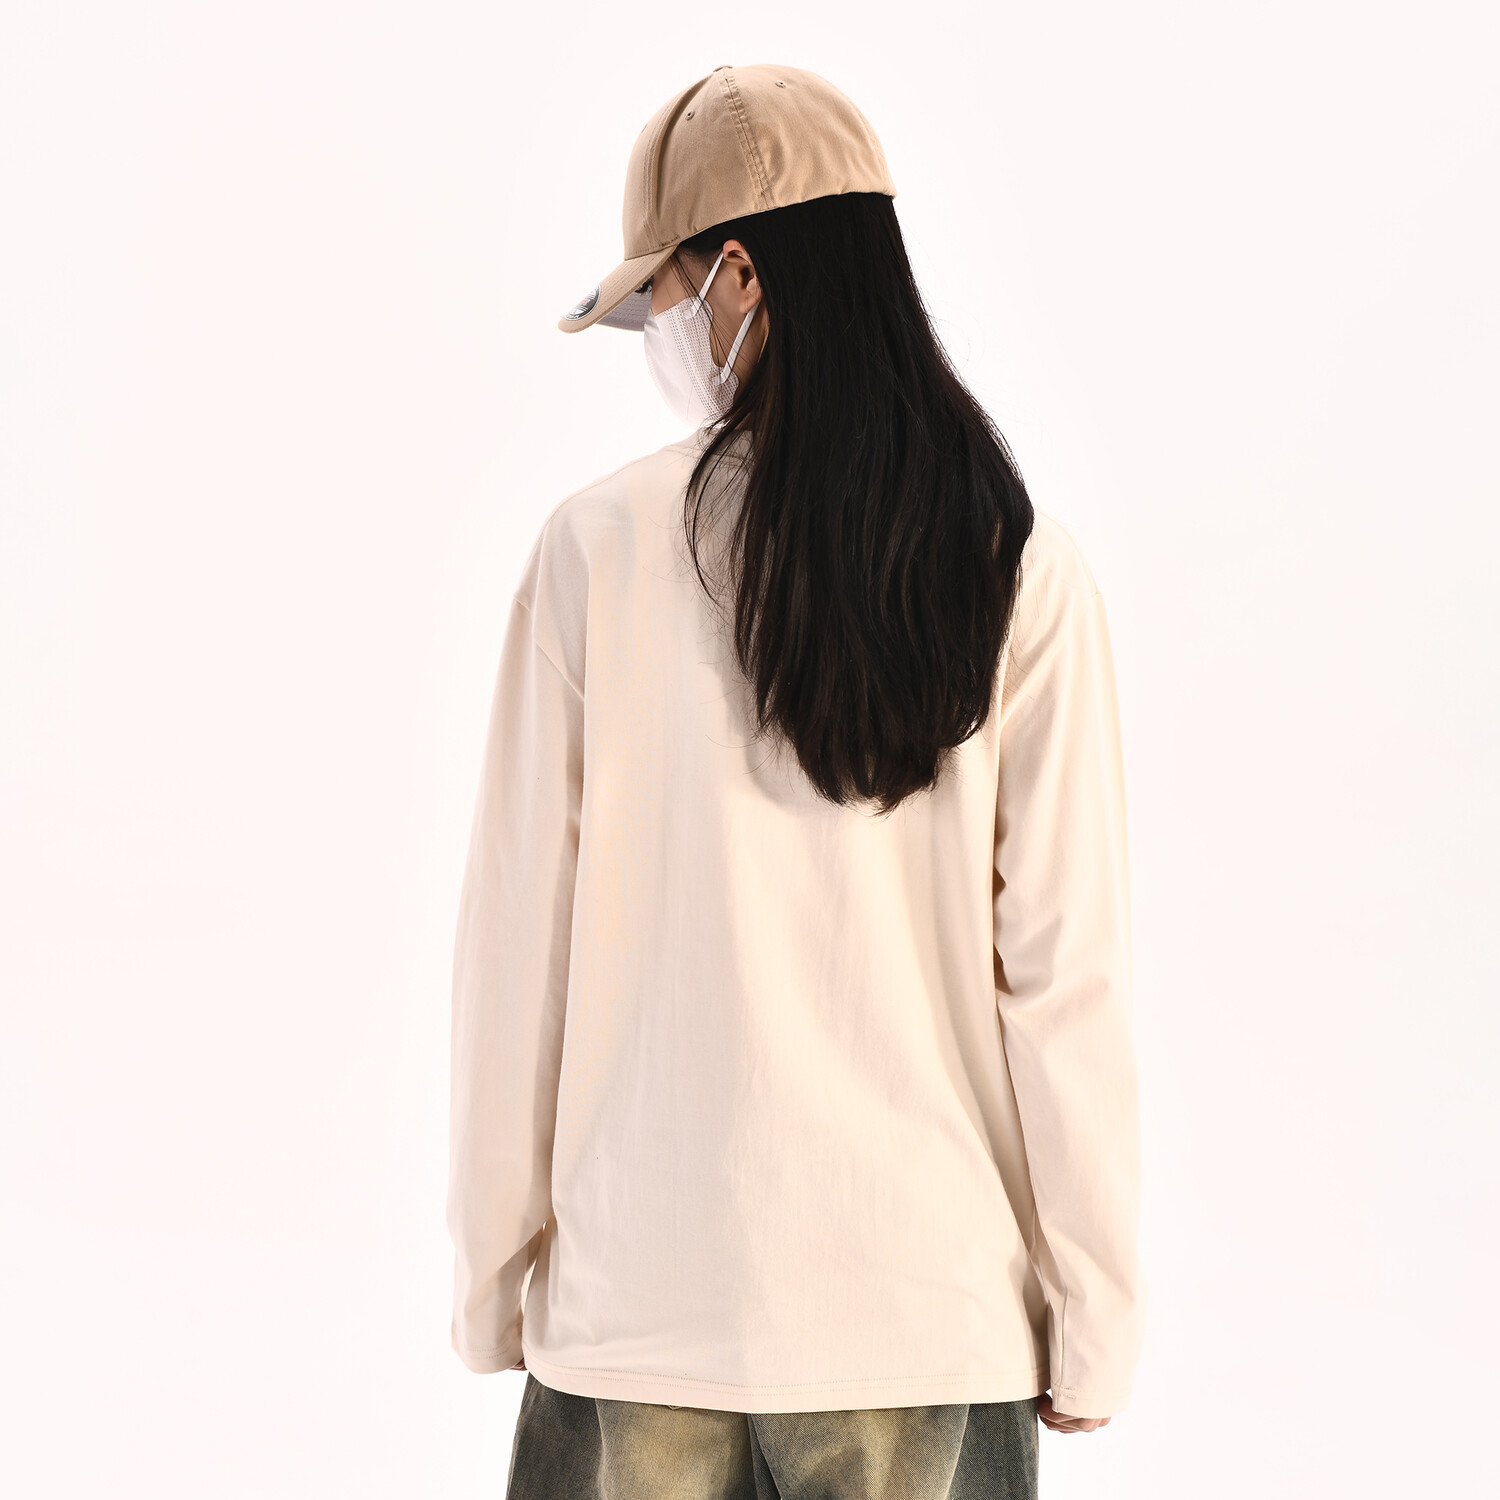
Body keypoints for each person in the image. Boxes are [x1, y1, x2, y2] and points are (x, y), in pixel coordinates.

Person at [446, 63, 1144, 1500]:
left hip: (643, 1317)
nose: (657, 334)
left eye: (659, 296)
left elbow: (517, 950)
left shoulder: (597, 551)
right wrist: (1095, 1315)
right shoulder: (1014, 564)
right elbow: (1064, 978)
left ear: (741, 275)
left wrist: (489, 1273)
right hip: (926, 1324)